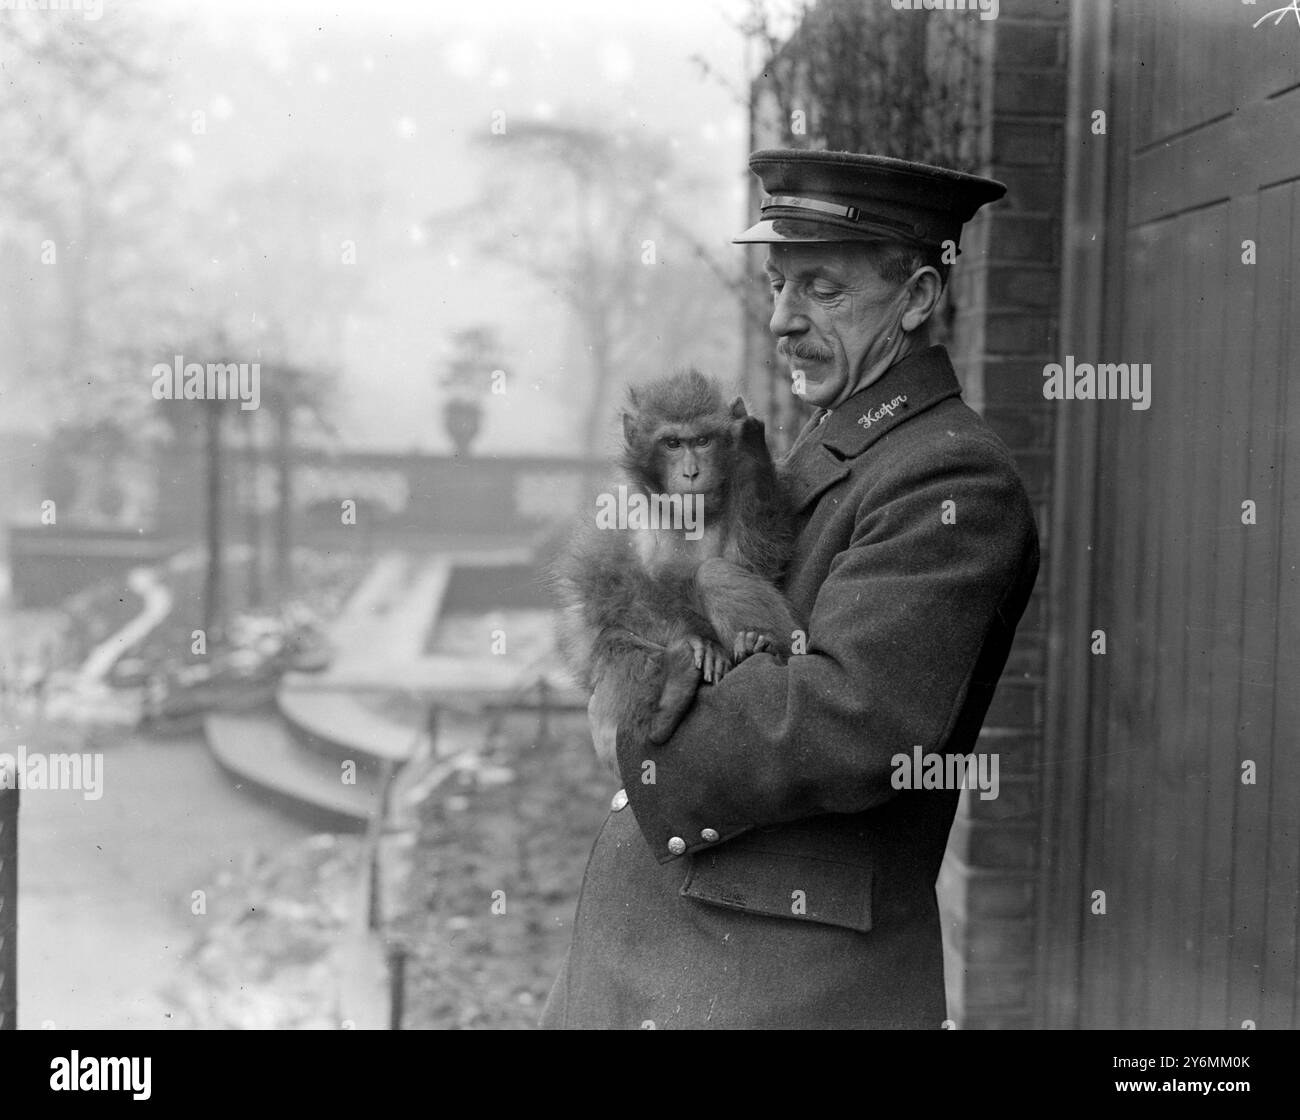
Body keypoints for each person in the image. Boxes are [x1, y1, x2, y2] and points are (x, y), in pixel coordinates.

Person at [541, 149, 1040, 1030]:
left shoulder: (950, 477)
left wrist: (639, 737)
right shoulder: (826, 446)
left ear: (919, 299)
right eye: (779, 285)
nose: (781, 319)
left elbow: (858, 716)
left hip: (775, 985)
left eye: (822, 289)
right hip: (686, 956)